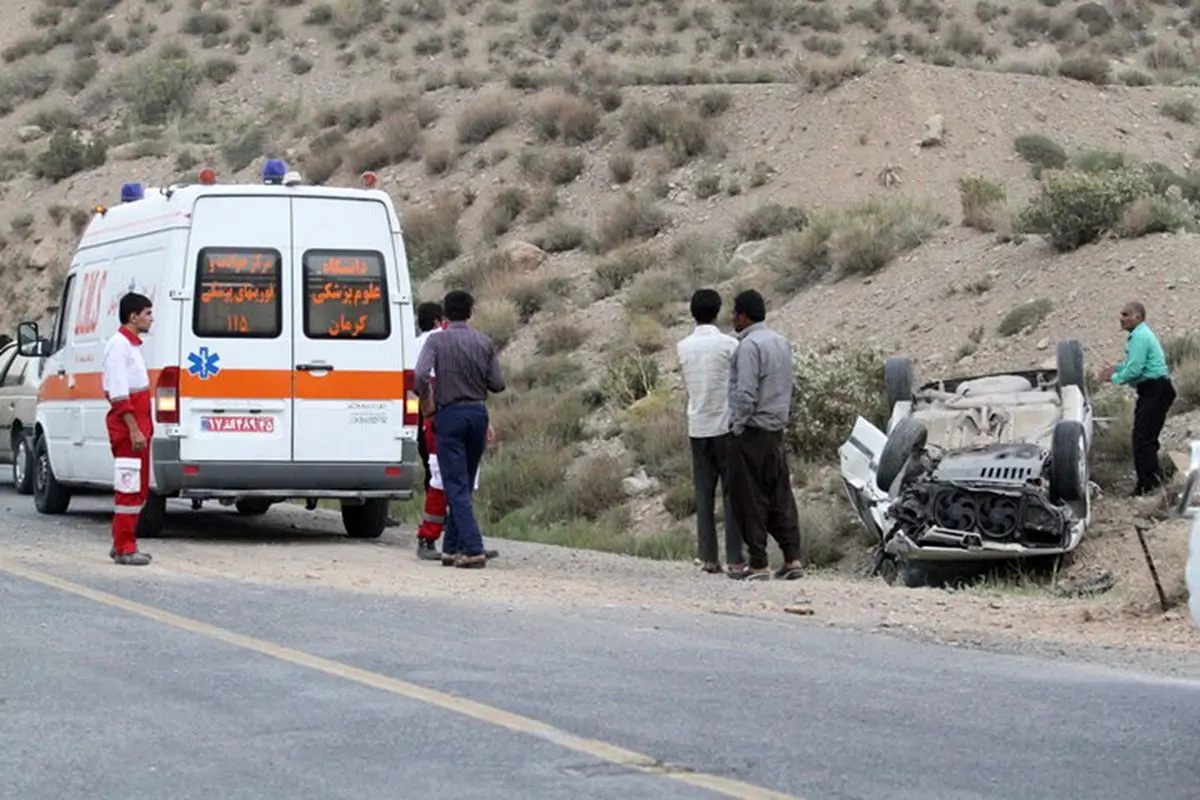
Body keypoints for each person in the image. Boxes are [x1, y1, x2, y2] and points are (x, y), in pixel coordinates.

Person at [414, 290, 506, 569]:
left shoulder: (436, 341)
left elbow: (420, 375)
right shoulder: (484, 342)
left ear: (445, 313)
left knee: (454, 483)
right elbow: (497, 384)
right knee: (463, 482)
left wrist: (427, 400)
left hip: (449, 414)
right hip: (478, 414)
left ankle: (473, 548)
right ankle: (451, 548)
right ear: (470, 312)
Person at [724, 289, 804, 581]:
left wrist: (737, 426)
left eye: (735, 314)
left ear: (744, 316)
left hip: (752, 432)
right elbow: (791, 386)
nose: (733, 319)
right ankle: (793, 558)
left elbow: (746, 392)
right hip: (776, 430)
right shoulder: (781, 342)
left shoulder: (749, 346)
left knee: (750, 498)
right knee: (780, 496)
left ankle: (758, 563)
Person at [675, 289, 745, 575]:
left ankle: (708, 557)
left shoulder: (683, 347)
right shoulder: (730, 345)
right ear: (717, 311)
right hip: (725, 425)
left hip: (698, 425)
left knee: (704, 493)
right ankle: (735, 558)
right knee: (732, 493)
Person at [1099, 301, 1177, 496]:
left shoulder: (1139, 336)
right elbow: (1134, 365)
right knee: (1146, 437)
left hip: (1155, 389)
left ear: (1138, 317)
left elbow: (1135, 369)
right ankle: (1152, 481)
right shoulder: (1139, 335)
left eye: (1126, 314)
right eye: (1121, 314)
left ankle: (1148, 486)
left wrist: (1114, 378)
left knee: (1143, 439)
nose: (1121, 318)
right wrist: (1117, 369)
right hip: (1154, 390)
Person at [101, 293, 155, 566]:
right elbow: (120, 395)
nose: (151, 319)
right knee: (129, 488)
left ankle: (120, 542)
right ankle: (125, 547)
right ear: (133, 317)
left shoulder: (131, 347)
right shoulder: (118, 346)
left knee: (138, 488)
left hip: (139, 427)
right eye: (147, 313)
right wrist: (134, 430)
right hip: (128, 430)